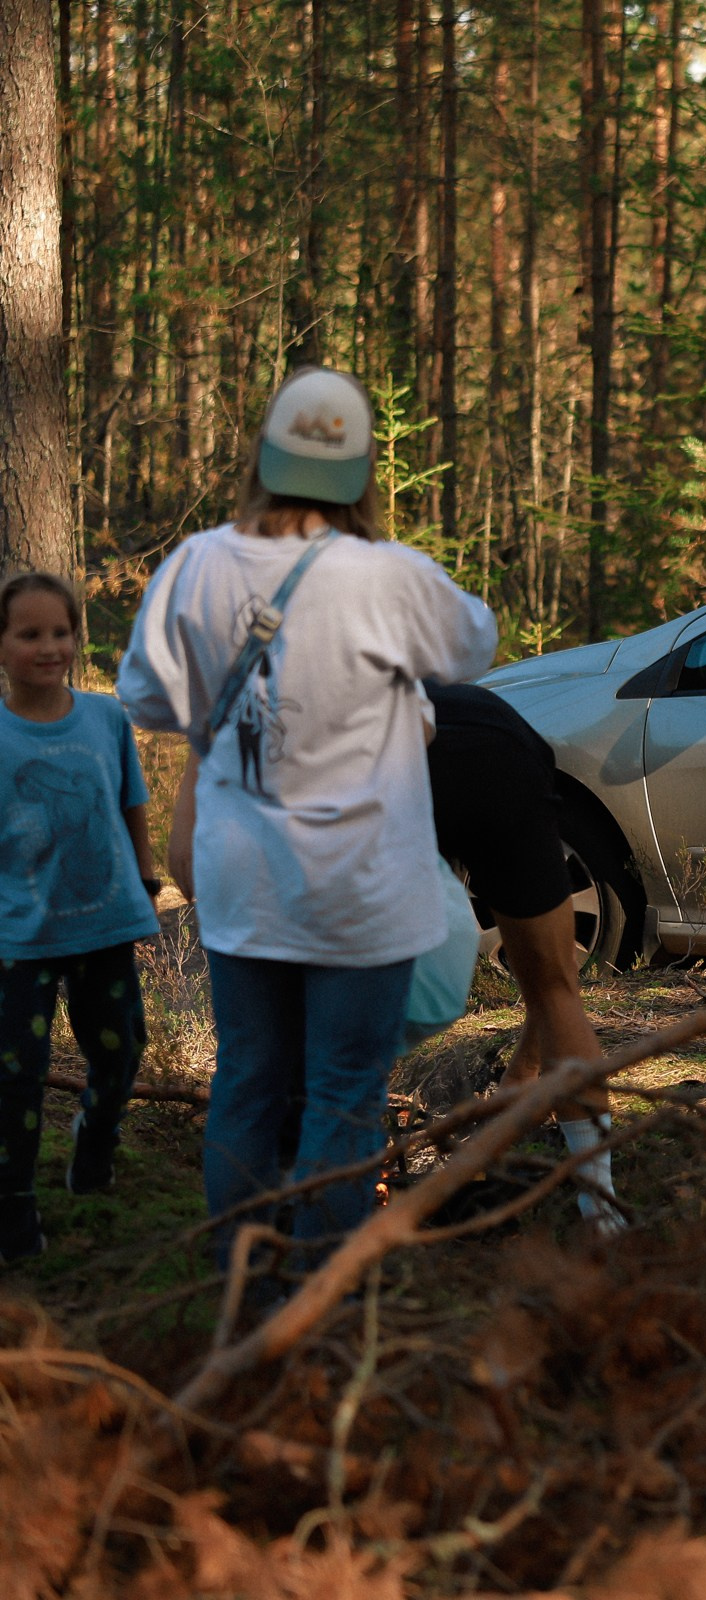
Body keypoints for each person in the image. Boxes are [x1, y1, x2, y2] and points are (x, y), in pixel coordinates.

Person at [118, 367, 496, 1271]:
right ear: (363, 473)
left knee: (247, 1085)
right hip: (367, 896)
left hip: (249, 889)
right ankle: (319, 1315)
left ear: (265, 461)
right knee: (342, 1100)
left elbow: (145, 695)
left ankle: (243, 1291)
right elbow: (475, 643)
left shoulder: (196, 567)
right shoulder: (393, 578)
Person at [0, 572, 163, 1263]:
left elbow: (130, 797)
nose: (48, 647)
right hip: (20, 935)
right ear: (2, 646)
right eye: (29, 634)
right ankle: (13, 1210)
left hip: (105, 922)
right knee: (16, 1071)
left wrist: (147, 868)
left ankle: (96, 1137)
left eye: (60, 633)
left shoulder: (105, 718)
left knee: (122, 1048)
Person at [424, 681, 620, 1226]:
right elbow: (556, 986)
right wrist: (522, 1076)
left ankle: (346, 1179)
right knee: (557, 986)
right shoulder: (462, 696)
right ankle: (601, 1212)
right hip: (506, 750)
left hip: (409, 760)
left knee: (357, 984)